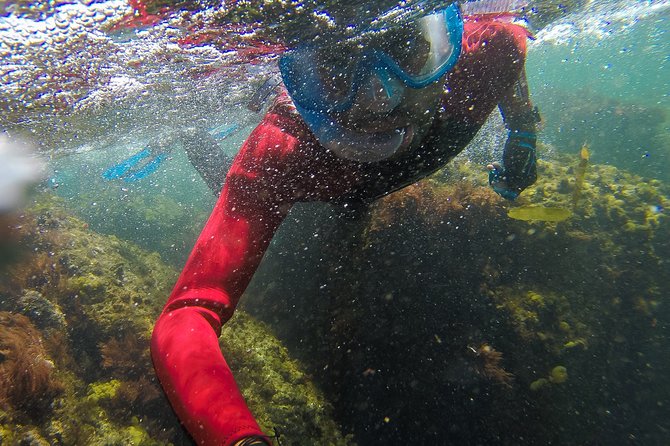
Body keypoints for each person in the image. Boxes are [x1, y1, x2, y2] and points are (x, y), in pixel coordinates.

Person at [151, 3, 540, 445]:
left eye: (404, 46)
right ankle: (193, 137)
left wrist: (523, 128)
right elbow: (186, 316)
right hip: (321, 185)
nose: (381, 96)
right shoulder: (283, 151)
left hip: (347, 185)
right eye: (337, 64)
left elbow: (510, 50)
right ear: (300, 80)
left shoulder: (489, 52)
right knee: (236, 193)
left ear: (440, 41)